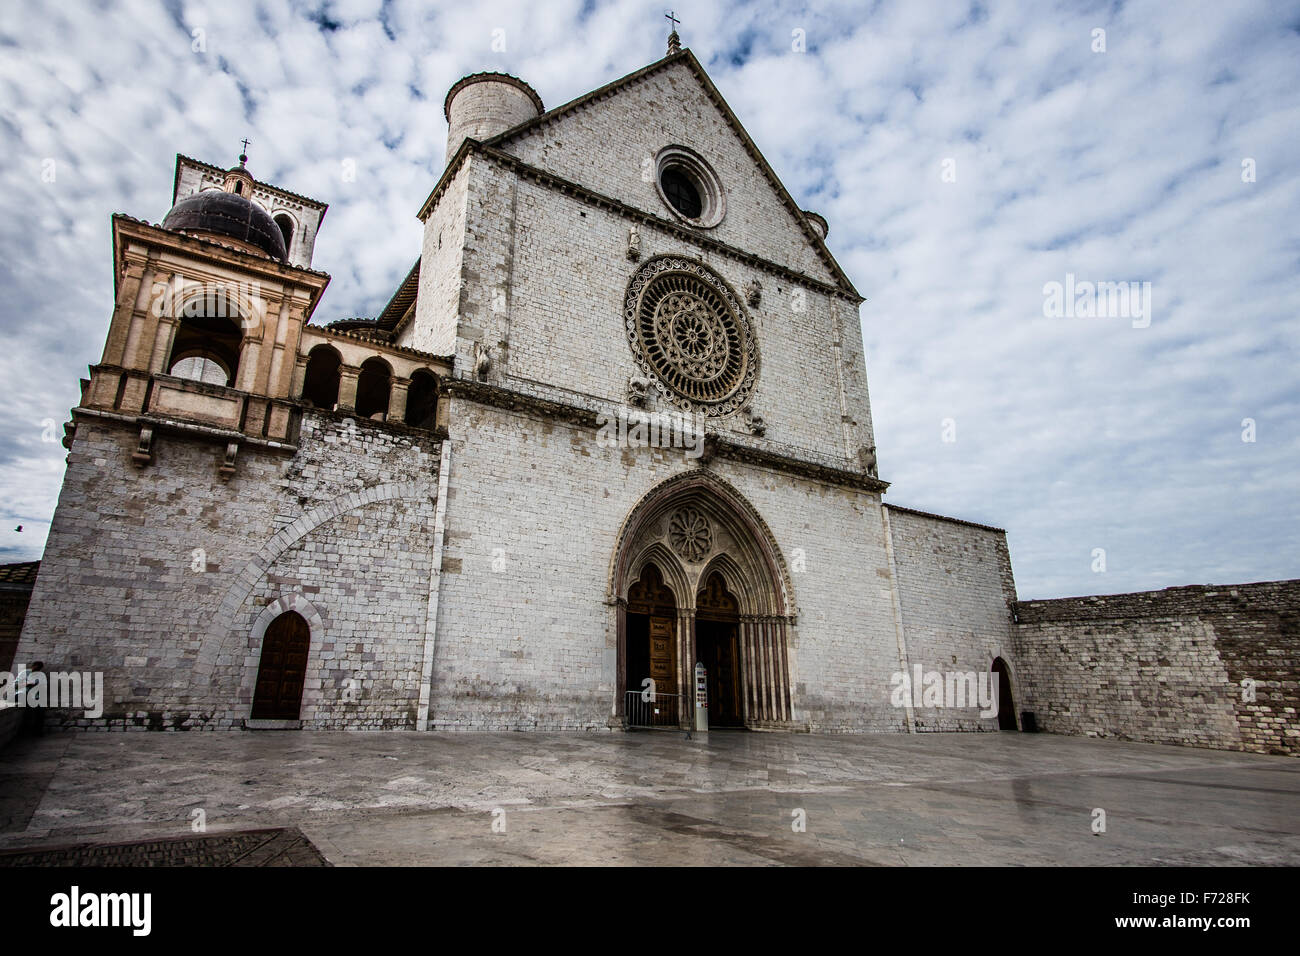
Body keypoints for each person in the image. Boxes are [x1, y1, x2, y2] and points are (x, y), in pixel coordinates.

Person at [22, 661, 45, 737]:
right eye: (37, 667)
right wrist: (28, 684)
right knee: (29, 714)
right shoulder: (25, 673)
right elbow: (16, 684)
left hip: (38, 697)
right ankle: (27, 732)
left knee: (40, 714)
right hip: (27, 695)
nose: (37, 669)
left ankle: (37, 732)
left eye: (39, 668)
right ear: (34, 666)